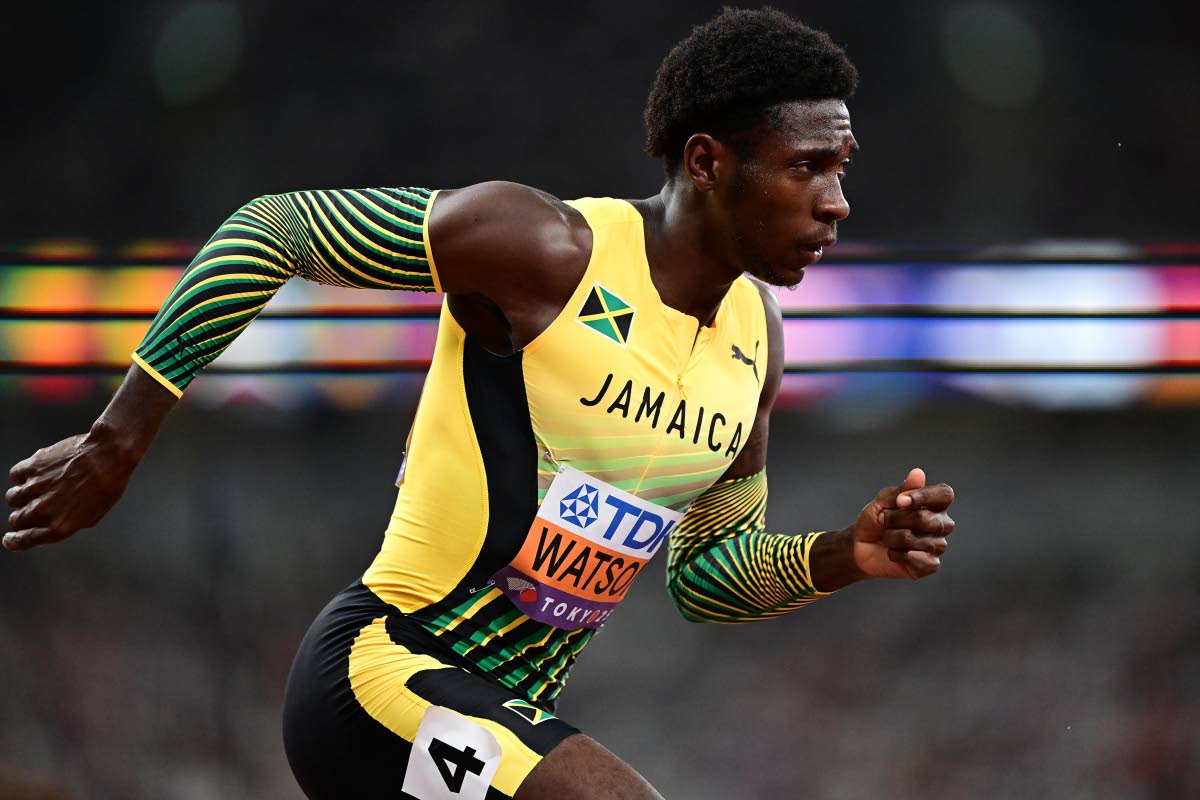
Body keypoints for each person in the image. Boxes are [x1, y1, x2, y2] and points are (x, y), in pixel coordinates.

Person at [4, 8, 956, 800]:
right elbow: (274, 228)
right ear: (707, 161)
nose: (836, 201)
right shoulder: (548, 250)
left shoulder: (760, 342)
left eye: (842, 168)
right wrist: (118, 440)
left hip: (507, 711)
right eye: (806, 166)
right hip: (381, 674)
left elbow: (704, 578)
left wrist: (846, 555)